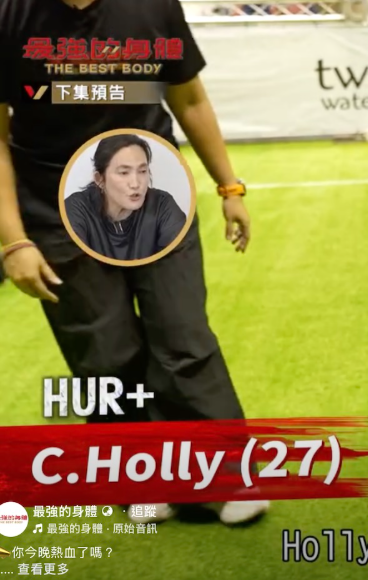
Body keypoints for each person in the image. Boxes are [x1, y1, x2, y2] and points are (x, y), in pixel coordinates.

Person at [0, 0, 267, 525]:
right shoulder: (9, 16)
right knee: (104, 354)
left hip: (155, 196)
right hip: (55, 209)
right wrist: (14, 241)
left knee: (183, 335)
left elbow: (189, 97)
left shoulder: (153, 5)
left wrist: (229, 187)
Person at [65, 134, 188, 262]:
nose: (135, 184)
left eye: (142, 171)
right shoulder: (75, 209)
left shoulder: (162, 204)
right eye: (124, 173)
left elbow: (178, 262)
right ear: (99, 179)